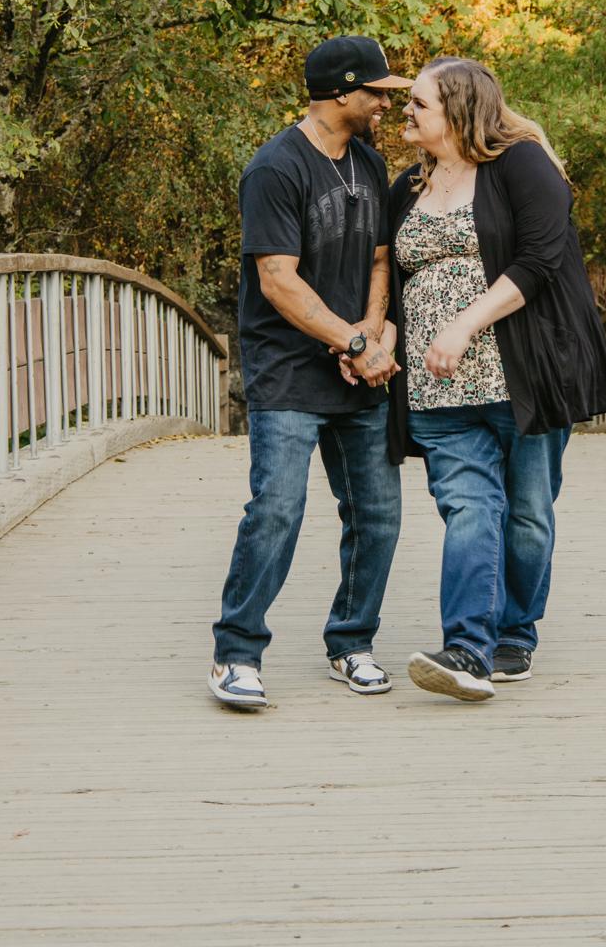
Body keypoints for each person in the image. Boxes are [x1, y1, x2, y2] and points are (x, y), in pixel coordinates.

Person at [377, 57, 606, 701]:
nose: (407, 112)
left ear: (458, 109)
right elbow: (394, 280)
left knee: (529, 515)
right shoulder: (406, 186)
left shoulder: (521, 165)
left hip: (525, 380)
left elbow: (541, 259)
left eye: (420, 103)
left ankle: (515, 633)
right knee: (469, 509)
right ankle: (467, 647)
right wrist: (385, 339)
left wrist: (462, 326)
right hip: (438, 391)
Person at [208, 35, 410, 710]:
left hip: (358, 364)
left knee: (377, 514)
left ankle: (351, 642)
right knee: (277, 510)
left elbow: (381, 258)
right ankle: (237, 653)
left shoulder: (368, 163)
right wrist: (352, 341)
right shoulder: (275, 168)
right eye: (377, 91)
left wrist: (374, 335)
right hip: (289, 370)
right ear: (340, 91)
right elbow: (277, 282)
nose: (386, 101)